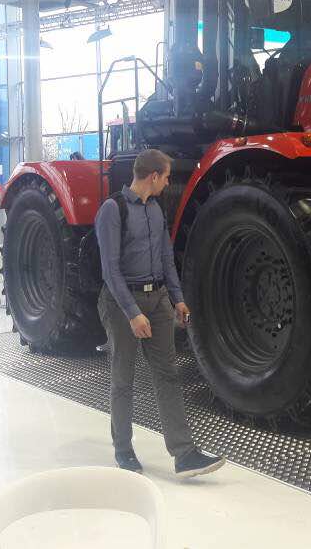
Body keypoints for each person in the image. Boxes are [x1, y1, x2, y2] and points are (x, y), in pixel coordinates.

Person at [95, 149, 224, 479]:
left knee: (168, 375)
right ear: (153, 176)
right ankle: (123, 449)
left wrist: (178, 299)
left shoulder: (155, 210)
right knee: (123, 377)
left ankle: (184, 455)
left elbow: (166, 258)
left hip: (159, 301)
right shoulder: (113, 210)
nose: (167, 183)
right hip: (123, 303)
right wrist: (132, 313)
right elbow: (110, 270)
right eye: (166, 177)